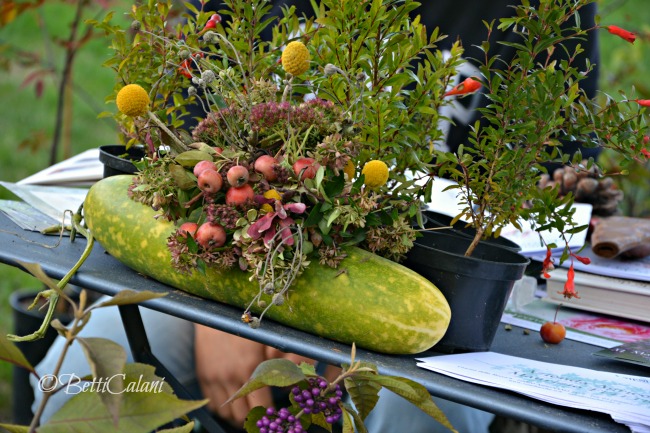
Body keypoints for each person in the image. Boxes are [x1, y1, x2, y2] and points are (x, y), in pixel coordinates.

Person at [31, 1, 601, 432]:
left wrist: (350, 330)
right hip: (225, 269)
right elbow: (191, 155)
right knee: (77, 380)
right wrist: (215, 313)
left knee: (409, 416)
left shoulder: (542, 15)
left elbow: (544, 197)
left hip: (427, 307)